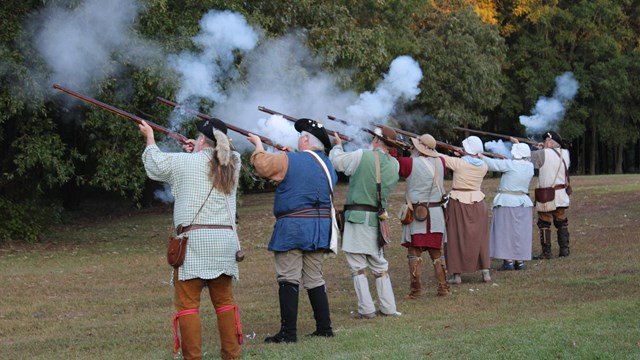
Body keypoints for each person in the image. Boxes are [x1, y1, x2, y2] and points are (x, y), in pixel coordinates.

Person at [140, 118, 242, 360]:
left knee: (188, 307)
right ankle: (231, 355)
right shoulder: (234, 163)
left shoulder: (184, 162)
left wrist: (150, 138)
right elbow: (219, 157)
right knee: (225, 303)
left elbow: (155, 164)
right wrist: (197, 150)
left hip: (193, 243)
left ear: (203, 140)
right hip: (224, 243)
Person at [247, 118, 337, 343]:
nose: (298, 139)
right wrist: (289, 156)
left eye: (300, 136)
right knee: (314, 277)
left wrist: (258, 146)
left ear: (306, 139)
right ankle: (324, 328)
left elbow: (263, 166)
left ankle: (288, 333)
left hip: (293, 227)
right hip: (319, 227)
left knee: (288, 277)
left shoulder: (290, 159)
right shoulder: (327, 165)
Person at [329, 125, 401, 319]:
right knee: (379, 265)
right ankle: (388, 308)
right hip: (377, 219)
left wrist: (337, 145)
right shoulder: (395, 164)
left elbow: (337, 162)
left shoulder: (362, 155)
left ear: (377, 140)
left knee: (357, 266)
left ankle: (366, 309)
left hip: (357, 217)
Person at [395, 134, 450, 298]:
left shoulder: (410, 162)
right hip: (435, 213)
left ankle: (416, 291)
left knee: (414, 252)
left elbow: (394, 164)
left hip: (419, 213)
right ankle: (443, 288)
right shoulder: (441, 161)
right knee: (436, 252)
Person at [440, 136, 491, 284]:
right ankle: (485, 272)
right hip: (478, 202)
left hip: (458, 201)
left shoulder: (459, 163)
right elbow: (475, 159)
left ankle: (457, 275)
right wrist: (463, 154)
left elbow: (440, 157)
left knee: (456, 238)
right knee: (480, 238)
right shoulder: (484, 165)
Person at [478, 142, 534, 271]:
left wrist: (480, 156)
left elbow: (491, 164)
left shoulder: (510, 164)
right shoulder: (529, 166)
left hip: (507, 201)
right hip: (523, 201)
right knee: (520, 233)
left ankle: (508, 261)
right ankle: (519, 261)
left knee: (505, 232)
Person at [528, 131, 571, 259]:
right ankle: (564, 250)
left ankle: (546, 253)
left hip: (546, 194)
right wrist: (543, 148)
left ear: (550, 142)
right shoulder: (566, 153)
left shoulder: (542, 154)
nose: (545, 142)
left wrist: (521, 146)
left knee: (544, 223)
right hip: (561, 194)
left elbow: (525, 157)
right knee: (561, 223)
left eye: (546, 140)